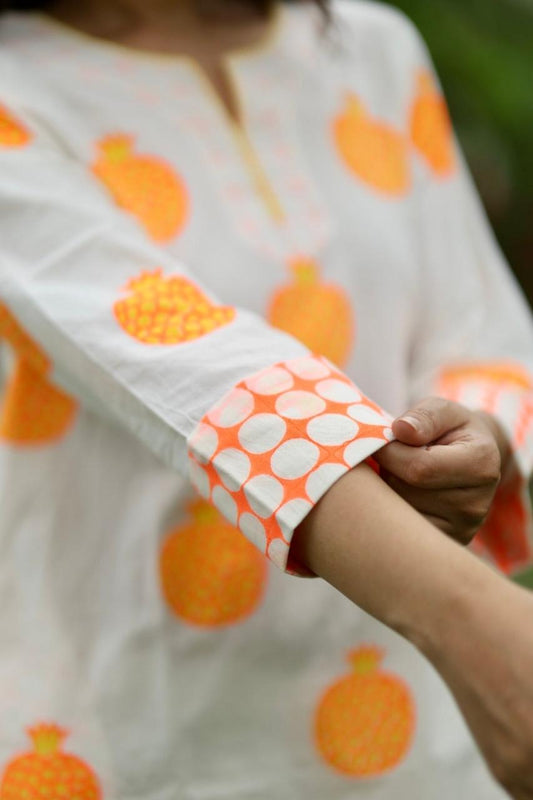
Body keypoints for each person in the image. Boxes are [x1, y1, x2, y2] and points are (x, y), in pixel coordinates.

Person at [0, 0, 533, 798]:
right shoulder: (16, 91)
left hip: (421, 743)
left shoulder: (372, 51)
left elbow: (477, 322)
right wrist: (470, 622)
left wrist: (472, 433)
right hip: (127, 740)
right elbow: (178, 351)